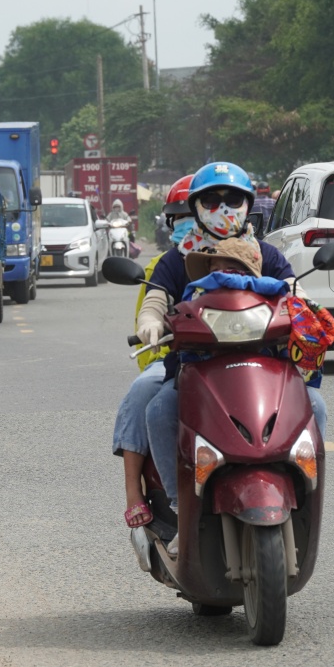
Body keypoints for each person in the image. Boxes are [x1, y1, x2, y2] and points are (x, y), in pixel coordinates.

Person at [138, 162, 327, 518]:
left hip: (267, 366)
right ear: (194, 207)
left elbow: (294, 293)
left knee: (315, 406)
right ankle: (179, 504)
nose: (222, 209)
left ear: (247, 205)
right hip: (196, 368)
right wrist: (150, 321)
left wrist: (313, 315)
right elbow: (155, 299)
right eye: (211, 200)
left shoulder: (266, 255)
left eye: (232, 200)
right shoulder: (177, 260)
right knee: (160, 410)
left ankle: (305, 491)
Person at [113, 175, 192, 529]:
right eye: (184, 217)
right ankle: (135, 490)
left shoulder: (254, 255)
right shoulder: (167, 264)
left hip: (237, 356)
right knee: (146, 394)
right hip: (177, 357)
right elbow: (151, 309)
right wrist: (152, 326)